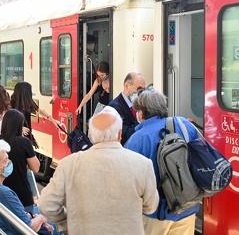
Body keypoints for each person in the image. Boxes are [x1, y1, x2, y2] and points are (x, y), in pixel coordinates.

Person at [38, 106, 159, 235]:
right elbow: (150, 207)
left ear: (92, 135)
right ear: (120, 133)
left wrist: (68, 221)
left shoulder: (68, 164)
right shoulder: (143, 164)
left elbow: (46, 205)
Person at [124, 88, 199, 235]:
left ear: (141, 113)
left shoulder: (136, 140)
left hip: (155, 214)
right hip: (187, 208)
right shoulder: (185, 124)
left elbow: (128, 182)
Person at [0, 140, 53, 235]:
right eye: (5, 161)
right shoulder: (4, 193)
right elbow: (28, 228)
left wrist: (31, 217)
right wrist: (41, 218)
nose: (9, 162)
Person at [0, 109, 40, 213]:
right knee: (26, 226)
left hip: (1, 194)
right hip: (22, 196)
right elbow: (36, 168)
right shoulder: (24, 142)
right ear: (20, 125)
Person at [108, 71, 146, 145]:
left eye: (143, 90)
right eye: (139, 89)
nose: (141, 93)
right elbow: (125, 137)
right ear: (126, 86)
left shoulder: (141, 104)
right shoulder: (114, 108)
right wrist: (139, 120)